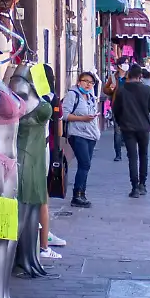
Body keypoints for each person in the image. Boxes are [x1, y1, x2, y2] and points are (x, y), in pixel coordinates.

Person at [115, 65, 150, 196]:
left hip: (127, 127)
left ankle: (134, 187)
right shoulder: (146, 90)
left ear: (128, 75)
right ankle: (142, 184)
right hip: (143, 127)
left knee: (132, 157)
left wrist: (120, 122)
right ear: (140, 76)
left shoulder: (121, 91)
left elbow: (116, 110)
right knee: (143, 155)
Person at [61, 72, 102, 207]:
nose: (88, 84)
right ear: (79, 82)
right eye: (86, 81)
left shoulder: (90, 96)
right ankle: (76, 195)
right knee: (84, 164)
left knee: (86, 165)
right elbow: (65, 115)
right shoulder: (72, 95)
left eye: (91, 83)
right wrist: (82, 119)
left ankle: (82, 193)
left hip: (91, 134)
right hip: (77, 134)